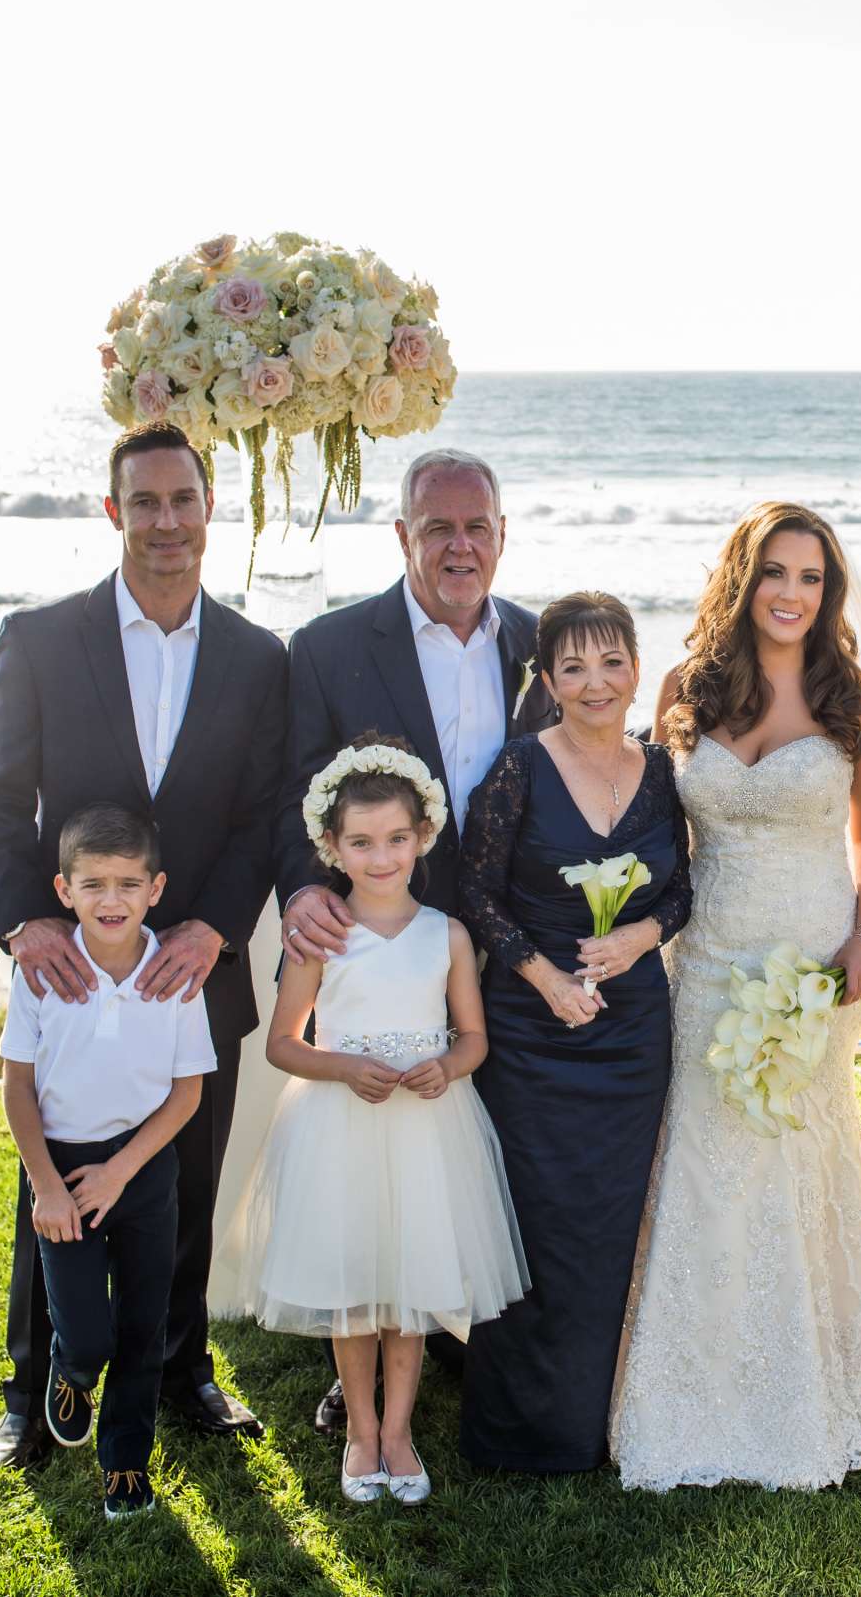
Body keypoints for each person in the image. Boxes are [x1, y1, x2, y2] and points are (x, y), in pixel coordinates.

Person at [0, 422, 286, 1476]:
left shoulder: (256, 655)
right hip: (74, 972)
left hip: (195, 975)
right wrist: (27, 920)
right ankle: (30, 1388)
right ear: (113, 513)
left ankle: (186, 1369)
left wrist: (216, 925)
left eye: (182, 500)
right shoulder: (40, 639)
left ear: (209, 509)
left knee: (185, 1184)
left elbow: (266, 815)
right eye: (142, 502)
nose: (165, 521)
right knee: (48, 1178)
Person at [612, 503, 861, 1490]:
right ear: (743, 580)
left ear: (830, 592)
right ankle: (685, 1377)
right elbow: (649, 824)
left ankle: (818, 1371)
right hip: (707, 955)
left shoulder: (855, 696)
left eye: (811, 577)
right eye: (776, 573)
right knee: (703, 1146)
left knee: (800, 1146)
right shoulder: (687, 687)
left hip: (812, 961)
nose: (792, 593)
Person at [272, 447, 554, 1434]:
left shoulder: (541, 645)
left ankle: (479, 1341)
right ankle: (364, 1365)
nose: (460, 545)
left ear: (504, 534)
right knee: (371, 1160)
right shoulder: (331, 648)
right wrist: (305, 890)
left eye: (478, 526)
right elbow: (294, 798)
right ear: (402, 537)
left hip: (507, 953)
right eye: (439, 528)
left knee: (478, 1151)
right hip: (378, 945)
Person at [231, 736, 526, 1505]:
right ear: (330, 846)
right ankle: (359, 1430)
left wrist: (448, 1065)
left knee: (411, 1286)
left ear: (423, 836)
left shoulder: (447, 934)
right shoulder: (320, 937)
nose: (381, 856)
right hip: (342, 1128)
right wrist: (344, 1066)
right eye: (360, 842)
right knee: (355, 1287)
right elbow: (283, 1044)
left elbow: (473, 1037)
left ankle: (400, 1430)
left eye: (397, 839)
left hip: (429, 1131)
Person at [457, 593, 692, 1471]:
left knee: (610, 1225)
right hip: (529, 1033)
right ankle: (518, 1429)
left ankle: (601, 1420)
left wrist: (640, 936)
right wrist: (542, 975)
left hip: (630, 1036)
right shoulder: (521, 767)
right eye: (573, 667)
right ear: (547, 680)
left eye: (611, 662)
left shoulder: (663, 770)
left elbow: (683, 887)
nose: (595, 683)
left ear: (637, 666)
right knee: (532, 1219)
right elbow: (474, 893)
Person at [0, 804, 214, 1521]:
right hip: (62, 1170)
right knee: (88, 1331)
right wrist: (47, 1187)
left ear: (157, 889)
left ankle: (125, 1460)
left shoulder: (177, 974)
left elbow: (187, 1092)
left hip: (144, 1167)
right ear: (63, 891)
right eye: (93, 885)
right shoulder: (39, 972)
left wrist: (123, 1170)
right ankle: (71, 1369)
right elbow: (18, 1087)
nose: (111, 901)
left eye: (128, 884)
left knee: (144, 1325)